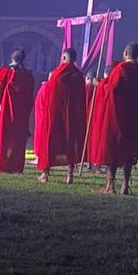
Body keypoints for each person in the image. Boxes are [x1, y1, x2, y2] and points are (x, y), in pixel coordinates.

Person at [92, 42, 138, 195]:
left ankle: (110, 186)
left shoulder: (121, 69)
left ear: (125, 53)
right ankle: (125, 185)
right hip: (134, 117)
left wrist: (99, 84)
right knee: (129, 149)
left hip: (118, 115)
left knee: (113, 147)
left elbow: (111, 89)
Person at [36, 48, 87, 185]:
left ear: (64, 58)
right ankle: (70, 175)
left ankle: (45, 174)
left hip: (56, 115)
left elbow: (49, 95)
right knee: (71, 141)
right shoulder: (79, 75)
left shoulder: (56, 74)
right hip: (72, 116)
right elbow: (81, 99)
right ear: (75, 59)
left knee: (50, 140)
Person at [0, 50, 35, 173]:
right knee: (16, 138)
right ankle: (13, 165)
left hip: (5, 109)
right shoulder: (28, 76)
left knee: (2, 136)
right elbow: (29, 96)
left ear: (11, 58)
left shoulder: (5, 72)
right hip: (21, 112)